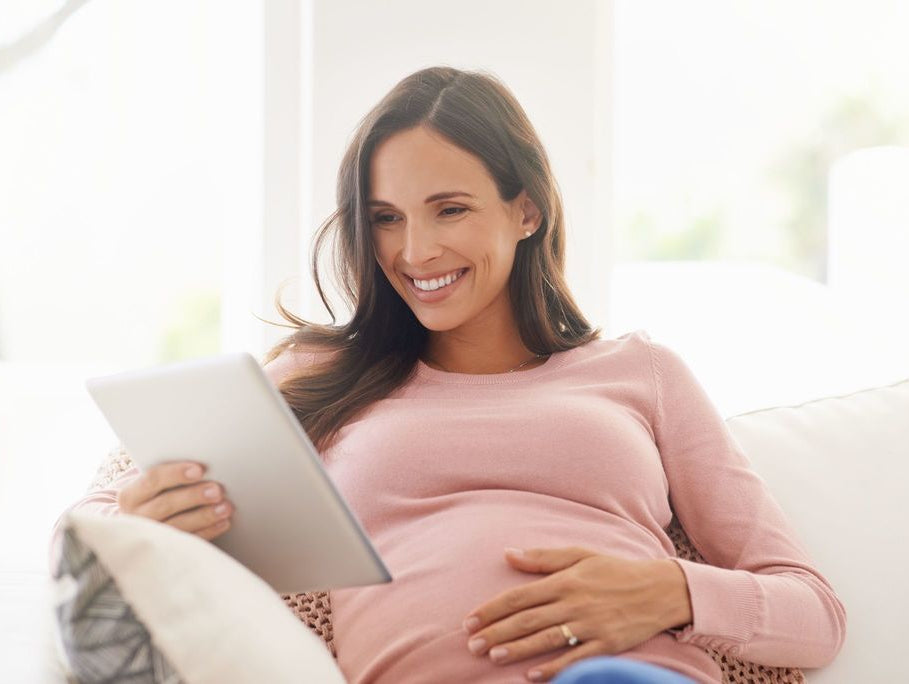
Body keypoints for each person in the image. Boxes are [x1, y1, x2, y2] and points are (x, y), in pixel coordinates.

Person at [49, 66, 846, 684]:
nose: (414, 251)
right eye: (386, 218)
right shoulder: (318, 376)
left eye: (450, 209)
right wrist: (137, 513)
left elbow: (814, 610)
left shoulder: (640, 373)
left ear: (525, 211)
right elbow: (90, 535)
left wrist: (669, 591)